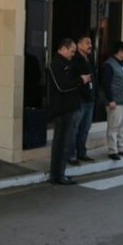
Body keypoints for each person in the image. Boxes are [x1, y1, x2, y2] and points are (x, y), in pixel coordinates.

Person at [47, 38, 90, 185]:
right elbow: (63, 86)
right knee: (61, 143)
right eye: (71, 51)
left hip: (69, 107)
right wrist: (80, 80)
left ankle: (60, 173)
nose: (73, 54)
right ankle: (57, 175)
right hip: (62, 109)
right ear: (63, 49)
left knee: (64, 143)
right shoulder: (56, 64)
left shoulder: (66, 63)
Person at [100, 41, 123, 161]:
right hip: (115, 102)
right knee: (114, 127)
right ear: (120, 51)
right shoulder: (108, 65)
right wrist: (110, 100)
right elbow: (105, 85)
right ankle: (112, 150)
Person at [68, 35, 96, 165]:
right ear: (79, 45)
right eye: (87, 43)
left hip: (89, 99)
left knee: (85, 128)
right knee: (74, 128)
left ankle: (81, 152)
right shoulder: (75, 60)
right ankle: (71, 155)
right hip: (79, 100)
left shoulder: (89, 60)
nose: (90, 45)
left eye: (90, 43)